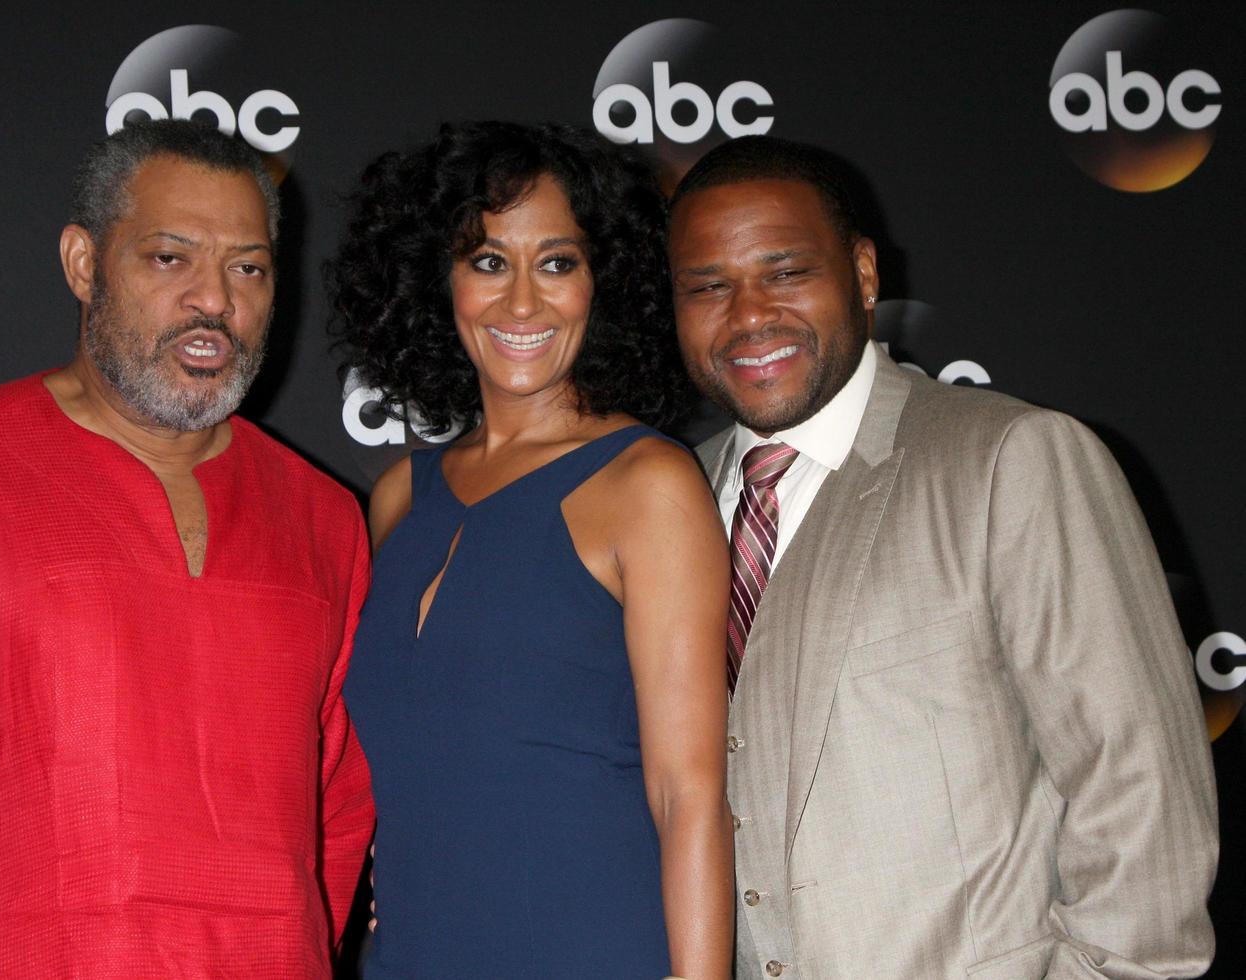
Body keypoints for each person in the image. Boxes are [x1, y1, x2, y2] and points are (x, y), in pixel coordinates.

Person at [0, 119, 374, 977]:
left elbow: (337, 817)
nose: (214, 300)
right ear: (84, 264)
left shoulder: (324, 521)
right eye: (170, 258)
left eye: (247, 266)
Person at [669, 134, 1218, 979]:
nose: (747, 316)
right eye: (708, 286)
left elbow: (1142, 794)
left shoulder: (1012, 461)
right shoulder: (668, 505)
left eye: (785, 272)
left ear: (862, 273)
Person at [328, 121, 733, 979]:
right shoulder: (401, 494)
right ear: (438, 283)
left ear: (603, 283)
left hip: (592, 948)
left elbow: (689, 794)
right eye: (487, 262)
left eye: (557, 262)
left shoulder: (647, 485)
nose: (522, 303)